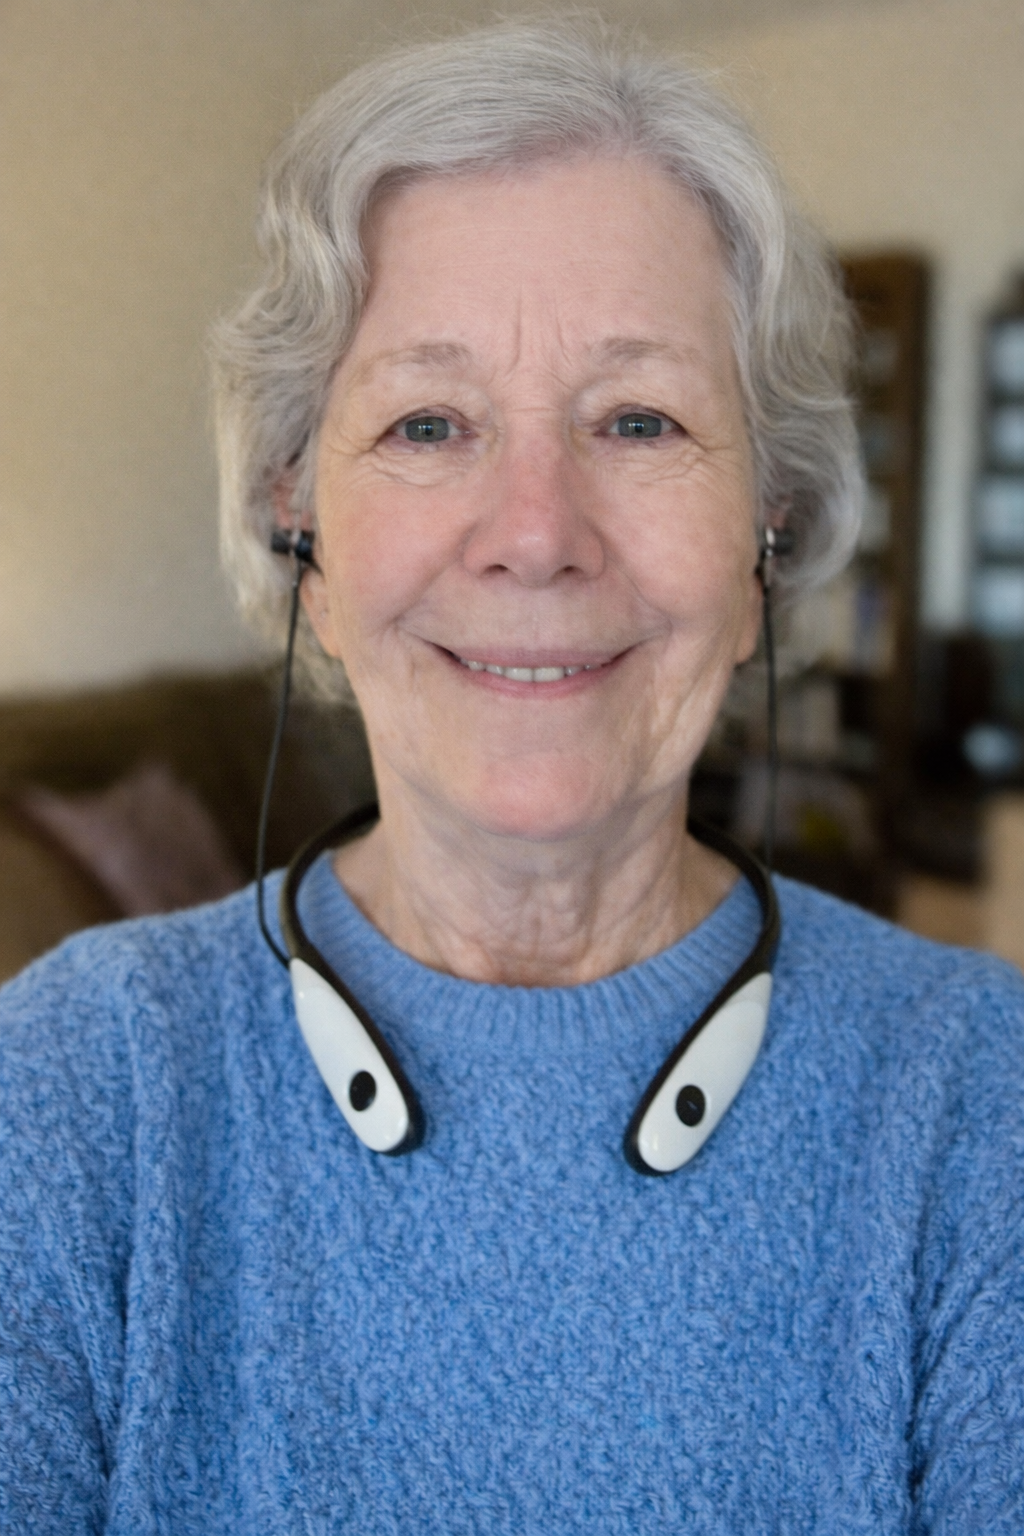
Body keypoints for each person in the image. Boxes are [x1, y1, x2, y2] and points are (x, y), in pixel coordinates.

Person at [1, 19, 1021, 1533]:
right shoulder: (68, 1092)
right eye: (429, 422)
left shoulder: (984, 1106)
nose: (535, 533)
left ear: (771, 539)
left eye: (639, 420)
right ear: (305, 542)